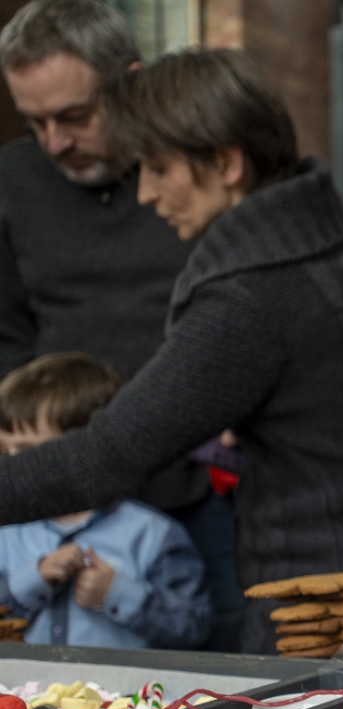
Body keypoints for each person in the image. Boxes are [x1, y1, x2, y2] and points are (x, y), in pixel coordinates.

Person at [0, 48, 343, 653]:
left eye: (157, 168)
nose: (147, 194)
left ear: (227, 163)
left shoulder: (249, 293)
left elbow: (104, 458)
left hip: (317, 617)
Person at [0, 0, 240, 650]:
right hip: (63, 499)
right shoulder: (14, 181)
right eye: (35, 121)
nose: (55, 141)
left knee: (215, 667)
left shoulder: (188, 173)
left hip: (199, 490)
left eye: (74, 116)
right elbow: (9, 337)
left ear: (130, 81)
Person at [0, 353, 209, 648]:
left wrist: (119, 595)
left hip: (127, 693)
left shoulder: (152, 534)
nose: (9, 467)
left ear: (85, 447)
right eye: (2, 452)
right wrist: (32, 580)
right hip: (17, 693)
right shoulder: (5, 532)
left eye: (25, 452)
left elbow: (193, 627)